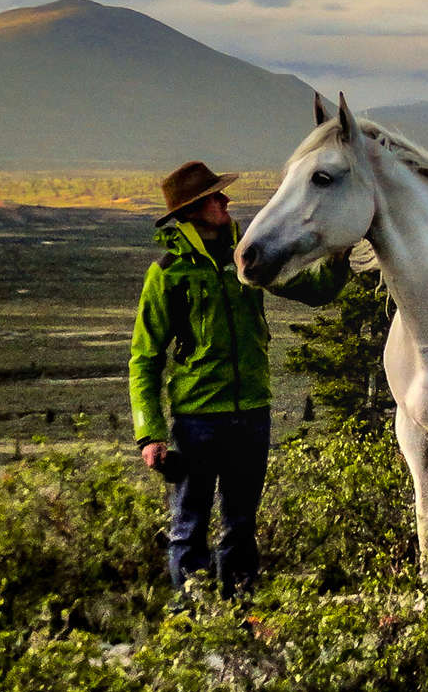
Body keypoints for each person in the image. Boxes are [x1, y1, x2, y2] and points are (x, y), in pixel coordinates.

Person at [129, 159, 351, 598]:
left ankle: (239, 618)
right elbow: (144, 358)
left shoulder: (247, 258)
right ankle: (192, 624)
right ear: (192, 210)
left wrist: (341, 256)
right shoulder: (168, 273)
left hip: (252, 413)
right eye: (214, 196)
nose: (225, 201)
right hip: (196, 421)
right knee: (188, 526)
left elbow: (315, 292)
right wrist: (148, 434)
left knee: (242, 525)